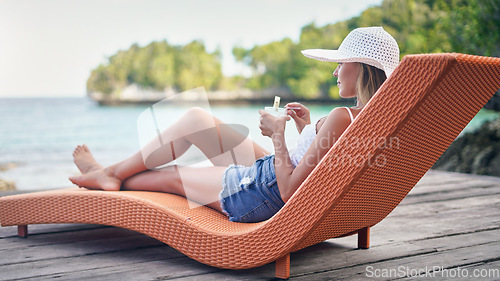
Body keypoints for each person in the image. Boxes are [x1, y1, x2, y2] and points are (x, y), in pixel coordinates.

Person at [69, 26, 400, 223]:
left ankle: (111, 175)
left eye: (340, 63)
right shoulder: (369, 121)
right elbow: (323, 168)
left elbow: (289, 192)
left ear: (361, 67)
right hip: (270, 177)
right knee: (196, 119)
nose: (335, 71)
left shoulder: (344, 117)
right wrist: (307, 129)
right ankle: (110, 172)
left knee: (170, 177)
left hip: (264, 192)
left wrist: (278, 135)